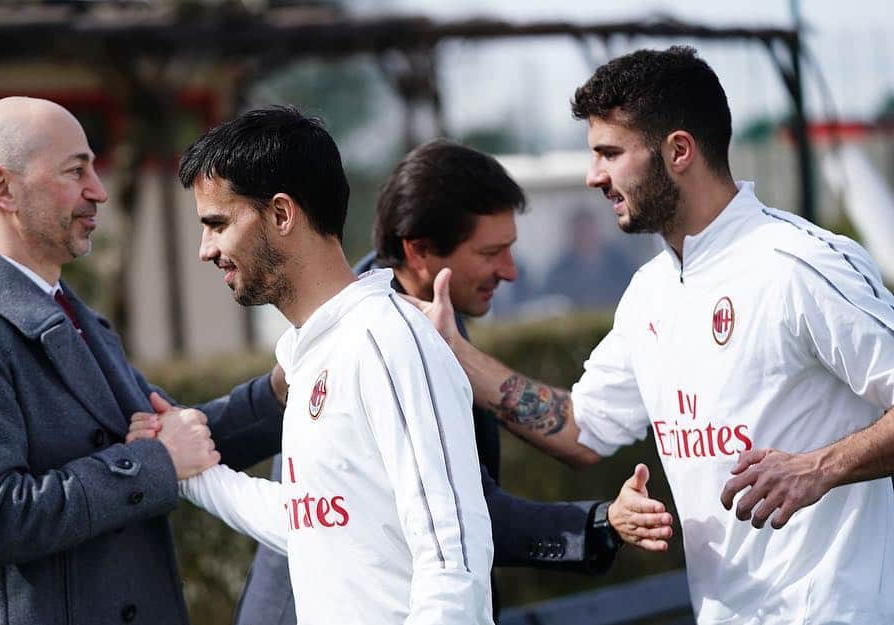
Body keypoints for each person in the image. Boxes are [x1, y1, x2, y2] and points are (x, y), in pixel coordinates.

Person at [414, 47, 894, 624]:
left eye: (610, 154)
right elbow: (580, 428)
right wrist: (456, 354)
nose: (595, 176)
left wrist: (820, 468)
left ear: (679, 151)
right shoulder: (650, 292)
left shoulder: (799, 265)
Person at [234, 139, 675, 625]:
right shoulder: (382, 341)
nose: (509, 271)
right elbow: (468, 514)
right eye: (491, 253)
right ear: (418, 249)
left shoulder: (423, 321)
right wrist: (599, 524)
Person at [0, 96, 285, 625]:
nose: (98, 190)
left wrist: (282, 392)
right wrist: (154, 464)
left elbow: (180, 437)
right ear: (2, 189)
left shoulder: (76, 317)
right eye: (76, 170)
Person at [151, 106, 494, 624]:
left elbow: (454, 558)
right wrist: (193, 475)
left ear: (282, 214)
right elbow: (311, 520)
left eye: (218, 223)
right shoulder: (317, 351)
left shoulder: (387, 340)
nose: (206, 250)